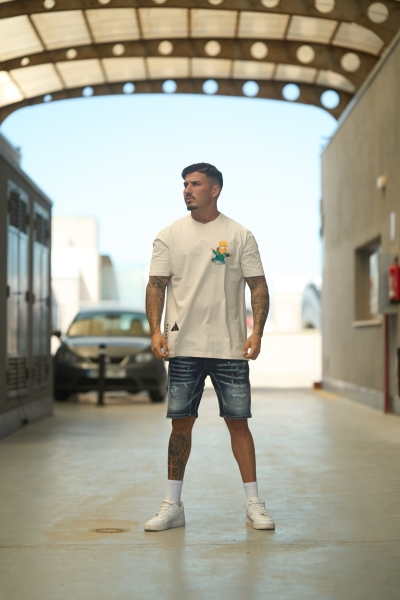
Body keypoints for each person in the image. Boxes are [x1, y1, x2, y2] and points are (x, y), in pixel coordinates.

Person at [144, 163, 274, 532]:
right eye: (185, 184)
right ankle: (172, 505)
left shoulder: (239, 235)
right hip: (182, 344)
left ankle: (254, 504)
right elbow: (156, 285)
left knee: (238, 423)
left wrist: (257, 332)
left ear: (214, 190)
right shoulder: (169, 235)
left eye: (195, 184)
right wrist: (155, 331)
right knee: (180, 425)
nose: (187, 190)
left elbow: (258, 285)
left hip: (229, 346)